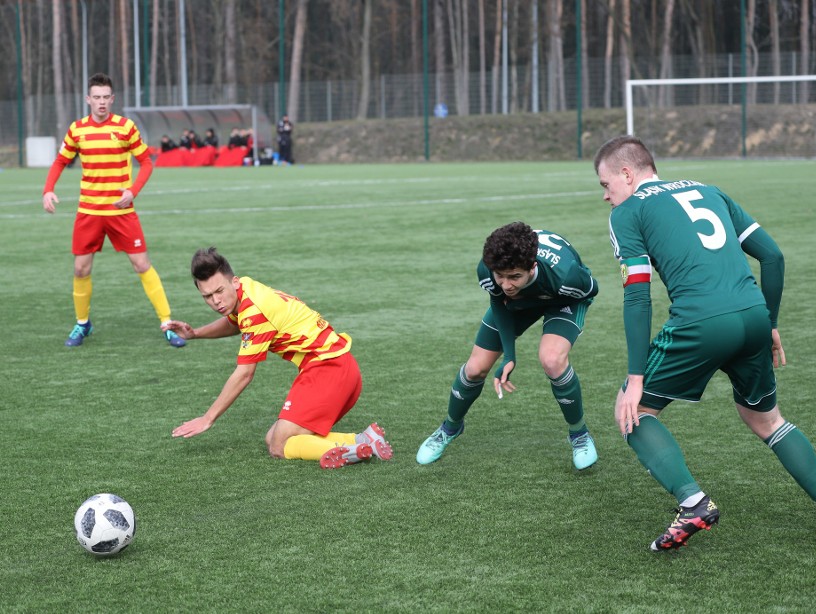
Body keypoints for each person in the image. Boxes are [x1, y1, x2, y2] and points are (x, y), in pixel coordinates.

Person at [594, 135, 816, 550]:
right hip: (752, 315)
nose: (606, 197)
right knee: (767, 420)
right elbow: (772, 256)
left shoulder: (629, 212)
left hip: (700, 322)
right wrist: (770, 323)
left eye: (606, 185)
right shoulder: (709, 190)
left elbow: (637, 294)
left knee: (633, 409)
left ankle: (693, 502)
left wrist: (635, 375)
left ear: (627, 173)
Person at [164, 247, 393, 469]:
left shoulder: (255, 312)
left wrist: (208, 418)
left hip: (328, 370)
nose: (216, 301)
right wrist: (196, 334)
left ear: (233, 282)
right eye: (208, 296)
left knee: (279, 447)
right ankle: (363, 439)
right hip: (339, 369)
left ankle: (361, 445)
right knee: (273, 437)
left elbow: (244, 373)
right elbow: (236, 323)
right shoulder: (245, 288)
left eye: (219, 291)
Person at [416, 222, 600, 469]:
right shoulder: (489, 270)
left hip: (562, 297)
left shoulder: (567, 276)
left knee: (552, 359)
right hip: (522, 300)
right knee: (474, 369)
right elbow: (499, 302)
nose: (505, 284)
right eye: (500, 276)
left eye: (514, 276)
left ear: (532, 266)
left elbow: (590, 290)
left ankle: (579, 434)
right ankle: (450, 428)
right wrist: (509, 355)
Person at [41, 72, 186, 349]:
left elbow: (146, 162)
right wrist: (48, 189)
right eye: (96, 97)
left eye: (106, 97)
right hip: (89, 211)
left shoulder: (125, 127)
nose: (102, 102)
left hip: (121, 212)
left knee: (142, 264)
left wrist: (133, 191)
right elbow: (61, 161)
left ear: (113, 98)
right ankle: (83, 324)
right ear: (88, 99)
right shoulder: (77, 129)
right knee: (81, 269)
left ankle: (167, 323)